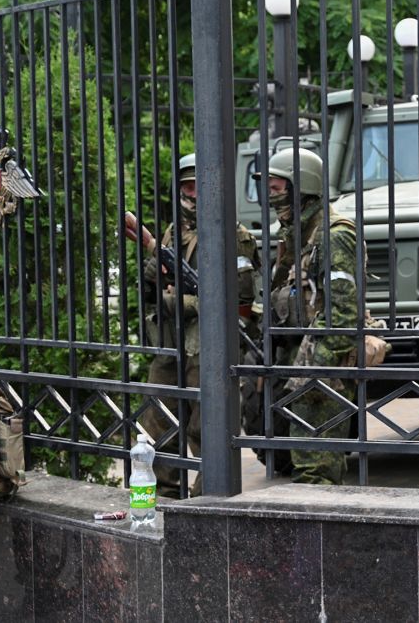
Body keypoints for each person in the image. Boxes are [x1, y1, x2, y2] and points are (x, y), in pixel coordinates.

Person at [140, 153, 262, 497]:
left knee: (204, 426)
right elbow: (158, 289)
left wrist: (182, 302)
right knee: (159, 420)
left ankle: (208, 497)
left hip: (209, 345)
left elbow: (238, 303)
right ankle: (165, 493)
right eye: (187, 187)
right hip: (171, 345)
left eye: (200, 187)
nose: (193, 195)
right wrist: (151, 279)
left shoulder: (234, 236)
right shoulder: (171, 233)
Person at [261, 147, 359, 485]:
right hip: (300, 364)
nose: (269, 197)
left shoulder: (333, 236)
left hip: (321, 370)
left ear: (300, 187)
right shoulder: (295, 237)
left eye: (275, 188)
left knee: (317, 471)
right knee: (300, 463)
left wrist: (316, 371)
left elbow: (343, 313)